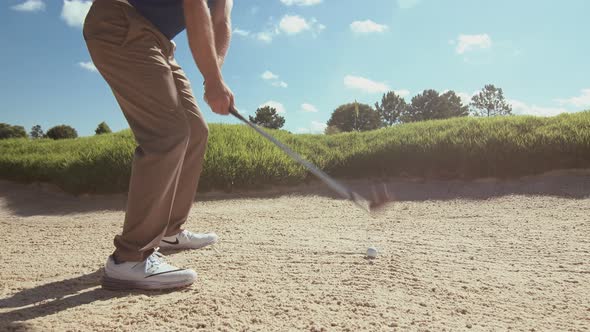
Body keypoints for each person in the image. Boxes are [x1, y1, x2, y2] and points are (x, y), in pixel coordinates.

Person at [83, 0, 234, 290]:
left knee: (194, 131)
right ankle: (129, 259)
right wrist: (212, 80)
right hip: (121, 20)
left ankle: (169, 231)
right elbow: (194, 6)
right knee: (167, 133)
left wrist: (216, 75)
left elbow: (220, 22)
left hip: (158, 41)